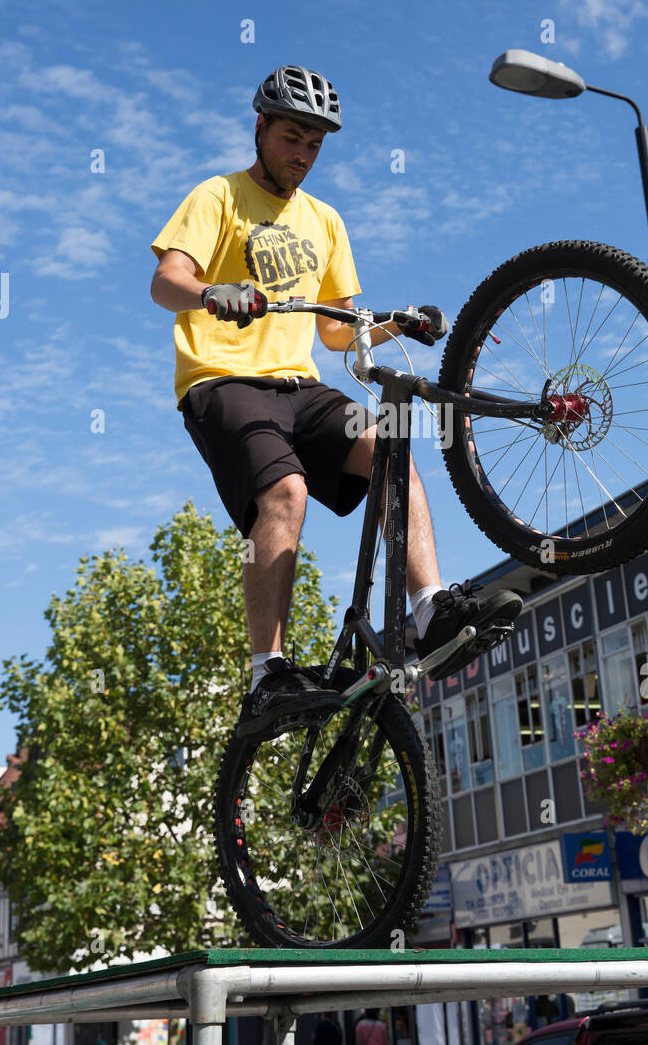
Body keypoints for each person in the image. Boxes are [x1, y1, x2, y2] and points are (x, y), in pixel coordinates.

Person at [150, 64, 521, 723]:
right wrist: (214, 293)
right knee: (286, 493)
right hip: (223, 382)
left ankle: (430, 608)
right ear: (260, 127)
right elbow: (166, 281)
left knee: (390, 450)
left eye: (315, 146)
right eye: (292, 137)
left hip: (302, 387)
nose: (303, 155)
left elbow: (337, 332)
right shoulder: (218, 197)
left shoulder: (325, 221)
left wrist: (396, 321)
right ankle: (268, 675)